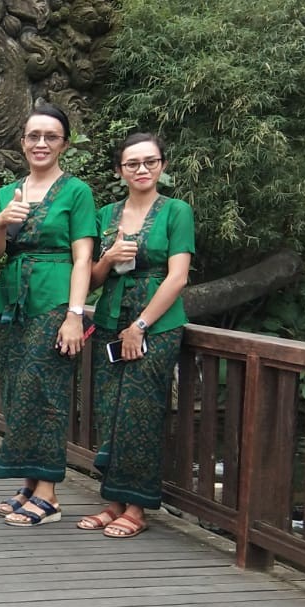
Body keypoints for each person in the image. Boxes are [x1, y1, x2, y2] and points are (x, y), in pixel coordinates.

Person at [0, 103, 98, 527]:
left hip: (54, 302)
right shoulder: (8, 193)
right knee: (18, 389)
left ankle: (49, 493)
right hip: (13, 303)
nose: (41, 143)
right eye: (34, 136)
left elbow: (83, 257)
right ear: (22, 142)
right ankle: (30, 482)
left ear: (64, 144)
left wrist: (74, 314)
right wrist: (0, 224)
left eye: (51, 136)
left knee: (47, 392)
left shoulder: (76, 192)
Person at [80, 133, 194, 538]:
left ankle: (137, 507)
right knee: (110, 410)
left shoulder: (176, 211)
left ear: (162, 165)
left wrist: (141, 325)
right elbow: (90, 279)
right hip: (110, 318)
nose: (142, 169)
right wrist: (109, 258)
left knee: (139, 413)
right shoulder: (106, 214)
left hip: (155, 325)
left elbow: (178, 277)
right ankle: (113, 501)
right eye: (132, 163)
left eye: (150, 161)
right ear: (119, 170)